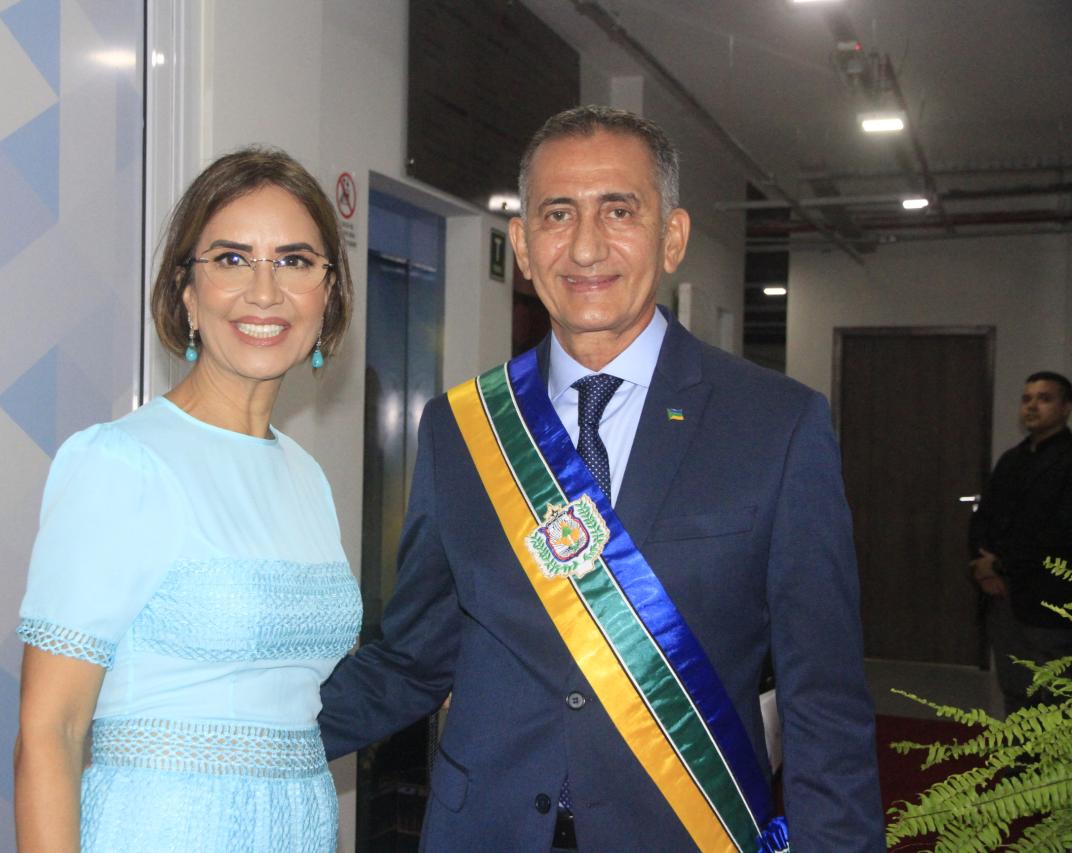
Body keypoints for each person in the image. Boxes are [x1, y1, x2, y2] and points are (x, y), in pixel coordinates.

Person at [319, 106, 882, 851]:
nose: (585, 246)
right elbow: (415, 659)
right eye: (558, 214)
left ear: (672, 236)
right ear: (523, 245)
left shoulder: (777, 425)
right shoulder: (461, 429)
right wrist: (241, 735)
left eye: (619, 210)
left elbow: (825, 702)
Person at [13, 147, 359, 853]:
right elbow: (51, 730)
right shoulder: (119, 462)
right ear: (187, 294)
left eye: (294, 261)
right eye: (232, 259)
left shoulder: (307, 477)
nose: (265, 291)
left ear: (328, 294)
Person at [970, 371, 1072, 715]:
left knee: (1055, 698)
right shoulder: (1011, 460)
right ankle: (1018, 753)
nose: (1032, 406)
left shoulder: (1067, 460)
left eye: (1044, 399)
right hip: (1004, 597)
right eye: (1027, 398)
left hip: (1049, 600)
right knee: (1015, 691)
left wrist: (1001, 564)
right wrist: (982, 567)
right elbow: (984, 518)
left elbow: (1058, 533)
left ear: (1066, 408)